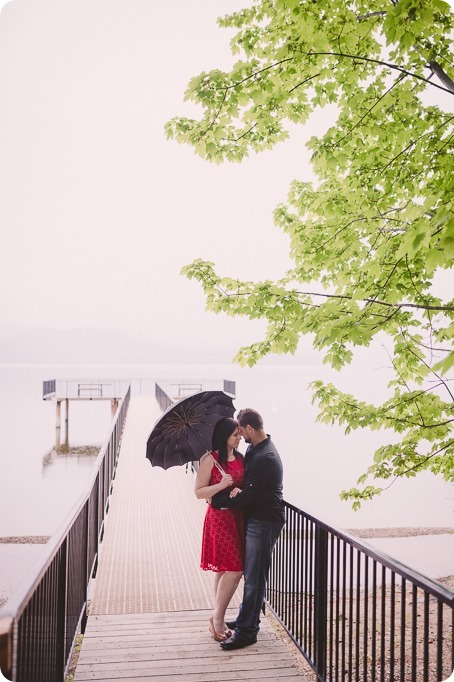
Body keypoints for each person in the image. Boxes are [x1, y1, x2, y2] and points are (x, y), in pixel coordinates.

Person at [210, 407, 285, 650]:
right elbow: (248, 488)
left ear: (250, 428)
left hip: (264, 521)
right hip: (255, 518)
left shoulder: (266, 457)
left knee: (254, 577)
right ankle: (246, 619)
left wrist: (218, 501)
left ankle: (247, 631)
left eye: (241, 430)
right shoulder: (256, 448)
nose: (240, 436)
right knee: (252, 575)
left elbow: (249, 495)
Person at [194, 417, 245, 642]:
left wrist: (239, 490)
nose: (239, 438)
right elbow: (199, 492)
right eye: (235, 435)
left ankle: (219, 618)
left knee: (224, 569)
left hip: (238, 517)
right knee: (235, 569)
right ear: (225, 436)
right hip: (219, 518)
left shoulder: (242, 458)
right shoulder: (210, 459)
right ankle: (218, 618)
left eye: (240, 434)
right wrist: (221, 486)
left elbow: (245, 483)